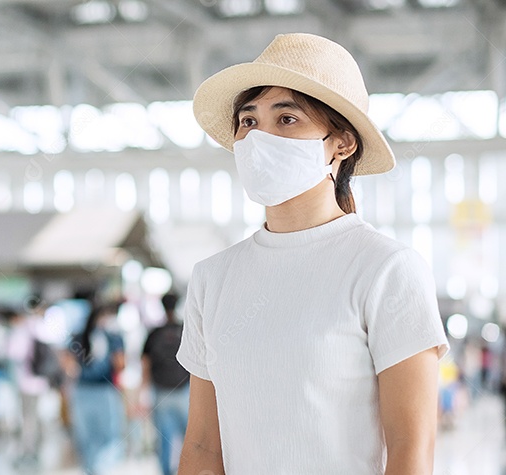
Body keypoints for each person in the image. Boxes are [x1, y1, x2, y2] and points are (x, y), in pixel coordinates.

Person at [177, 33, 450, 474]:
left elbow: (410, 451)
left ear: (341, 144)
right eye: (248, 121)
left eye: (287, 118)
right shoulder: (213, 278)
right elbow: (204, 448)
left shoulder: (386, 270)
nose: (259, 136)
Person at [65, 304, 125, 475]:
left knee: (86, 436)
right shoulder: (112, 337)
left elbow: (68, 365)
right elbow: (120, 364)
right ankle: (102, 468)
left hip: (82, 391)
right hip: (104, 390)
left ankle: (91, 469)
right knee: (108, 435)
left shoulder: (77, 337)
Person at [141, 293, 189, 475]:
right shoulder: (185, 329)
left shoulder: (154, 333)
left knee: (164, 440)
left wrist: (143, 393)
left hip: (161, 393)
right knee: (191, 438)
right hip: (185, 392)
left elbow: (145, 364)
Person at [6, 306, 52, 466]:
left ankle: (28, 450)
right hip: (41, 381)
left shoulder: (22, 330)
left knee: (28, 417)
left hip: (26, 382)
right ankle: (38, 448)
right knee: (37, 414)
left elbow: (12, 354)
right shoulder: (44, 329)